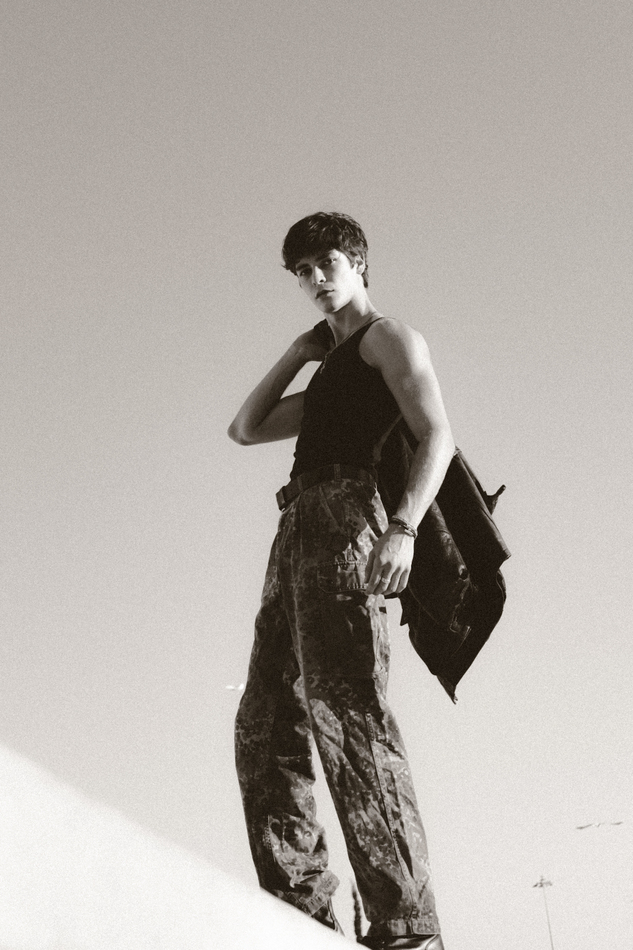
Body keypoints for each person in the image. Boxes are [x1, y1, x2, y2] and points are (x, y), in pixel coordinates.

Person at [228, 212, 454, 949]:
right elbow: (246, 428)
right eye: (302, 272)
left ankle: (406, 927)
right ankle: (303, 919)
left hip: (347, 520)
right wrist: (299, 351)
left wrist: (403, 528)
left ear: (357, 260)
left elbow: (437, 434)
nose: (315, 279)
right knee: (265, 725)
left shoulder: (387, 338)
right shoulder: (328, 368)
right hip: (295, 530)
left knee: (349, 716)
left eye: (326, 262)